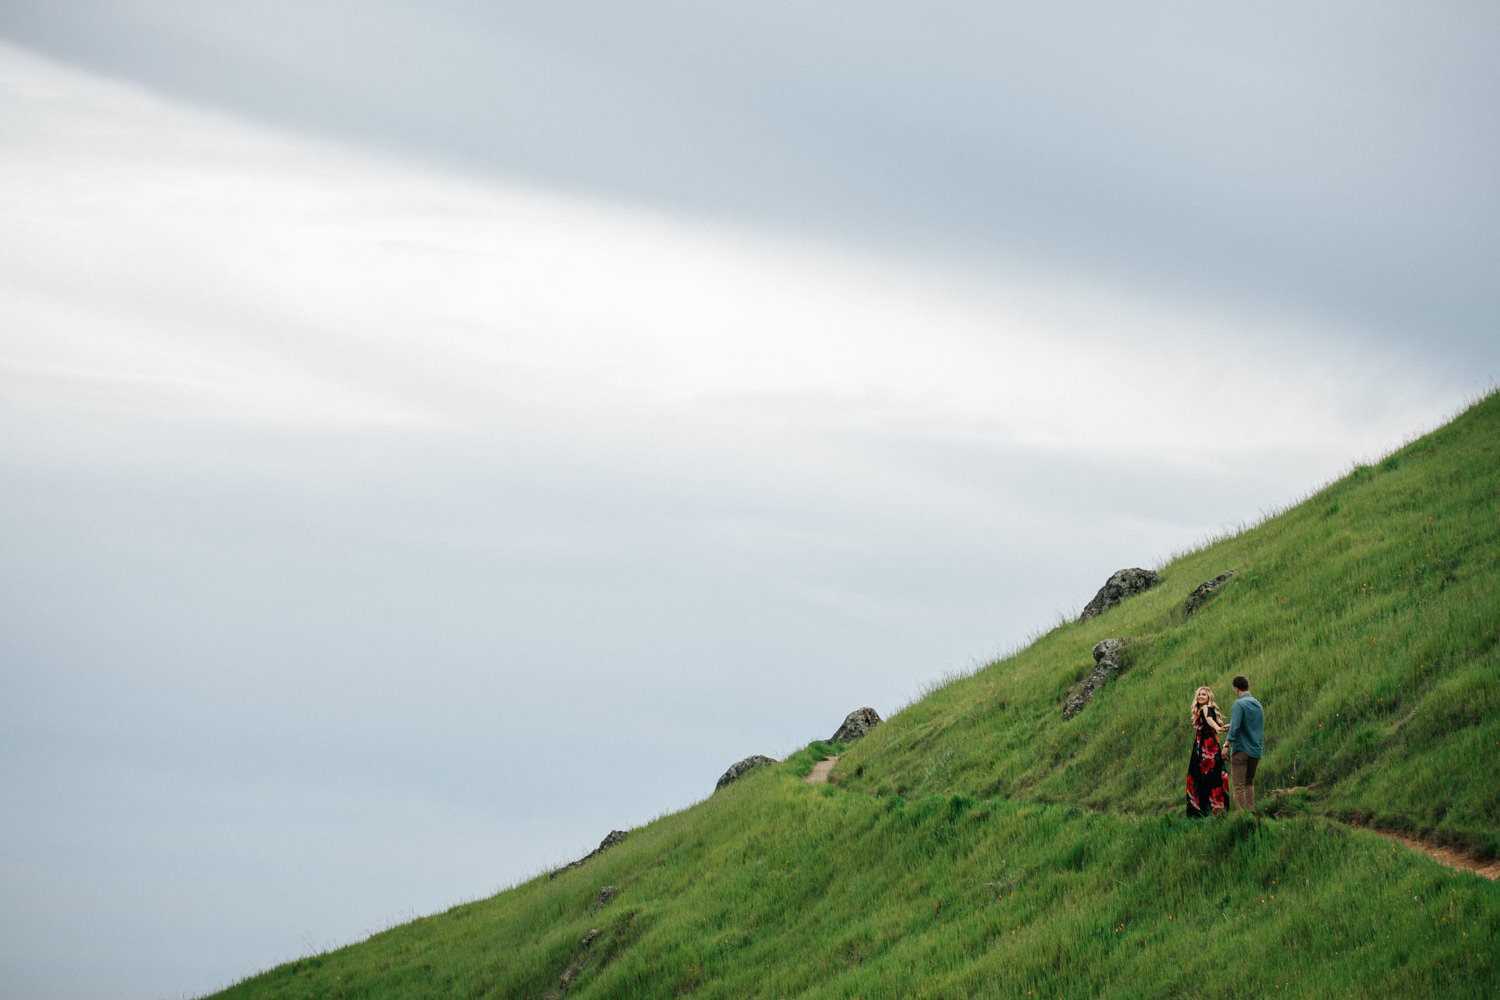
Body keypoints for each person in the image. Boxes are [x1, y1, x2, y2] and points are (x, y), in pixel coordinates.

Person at [1185, 686, 1230, 817]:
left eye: (1204, 694)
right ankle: (1212, 810)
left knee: (1207, 777)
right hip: (1203, 747)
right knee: (1208, 777)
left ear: (1209, 697)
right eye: (1199, 694)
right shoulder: (1202, 710)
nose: (1200, 696)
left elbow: (1209, 719)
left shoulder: (1206, 708)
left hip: (1206, 748)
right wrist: (1218, 727)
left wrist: (1217, 728)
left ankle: (1205, 811)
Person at [1226, 675, 1264, 812]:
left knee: (1239, 786)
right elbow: (1251, 724)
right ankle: (1251, 811)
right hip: (1256, 750)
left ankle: (1242, 815)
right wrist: (1232, 725)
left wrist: (1226, 745)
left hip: (1241, 750)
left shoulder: (1239, 704)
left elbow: (1235, 728)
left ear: (1236, 689)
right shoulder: (1257, 704)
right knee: (1249, 783)